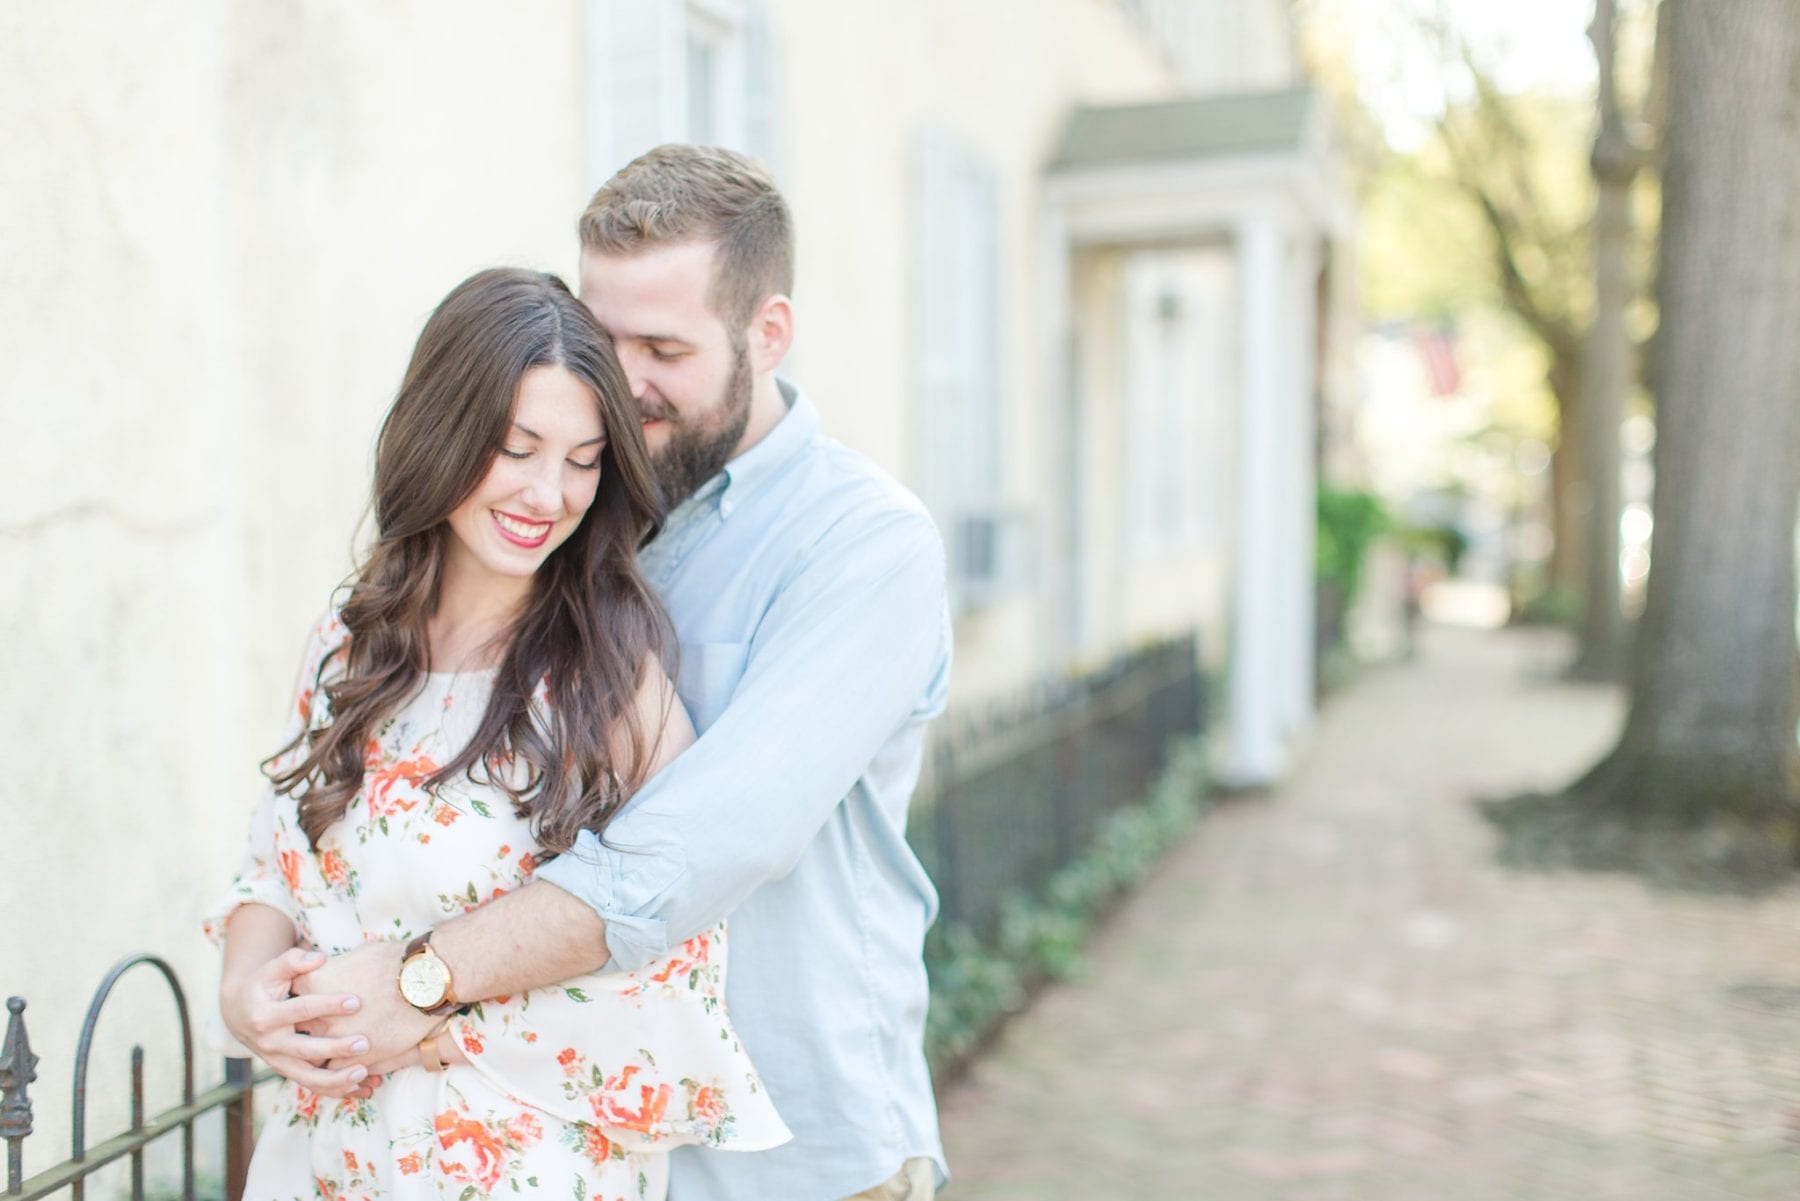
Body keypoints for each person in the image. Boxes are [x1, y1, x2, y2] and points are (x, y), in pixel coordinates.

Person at [225, 146, 954, 1201]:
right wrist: (259, 992)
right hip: (528, 1151)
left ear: (769, 333)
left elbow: (702, 846)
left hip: (795, 1155)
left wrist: (417, 983)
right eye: (605, 338)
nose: (621, 381)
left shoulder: (861, 546)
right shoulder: (570, 530)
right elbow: (295, 849)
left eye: (662, 346)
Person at [209, 267, 789, 1200]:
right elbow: (269, 870)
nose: (549, 493)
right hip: (325, 1166)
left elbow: (674, 964)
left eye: (584, 457)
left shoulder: (609, 679)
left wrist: (422, 1017)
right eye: (517, 448)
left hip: (521, 1168)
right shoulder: (349, 647)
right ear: (441, 433)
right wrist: (246, 999)